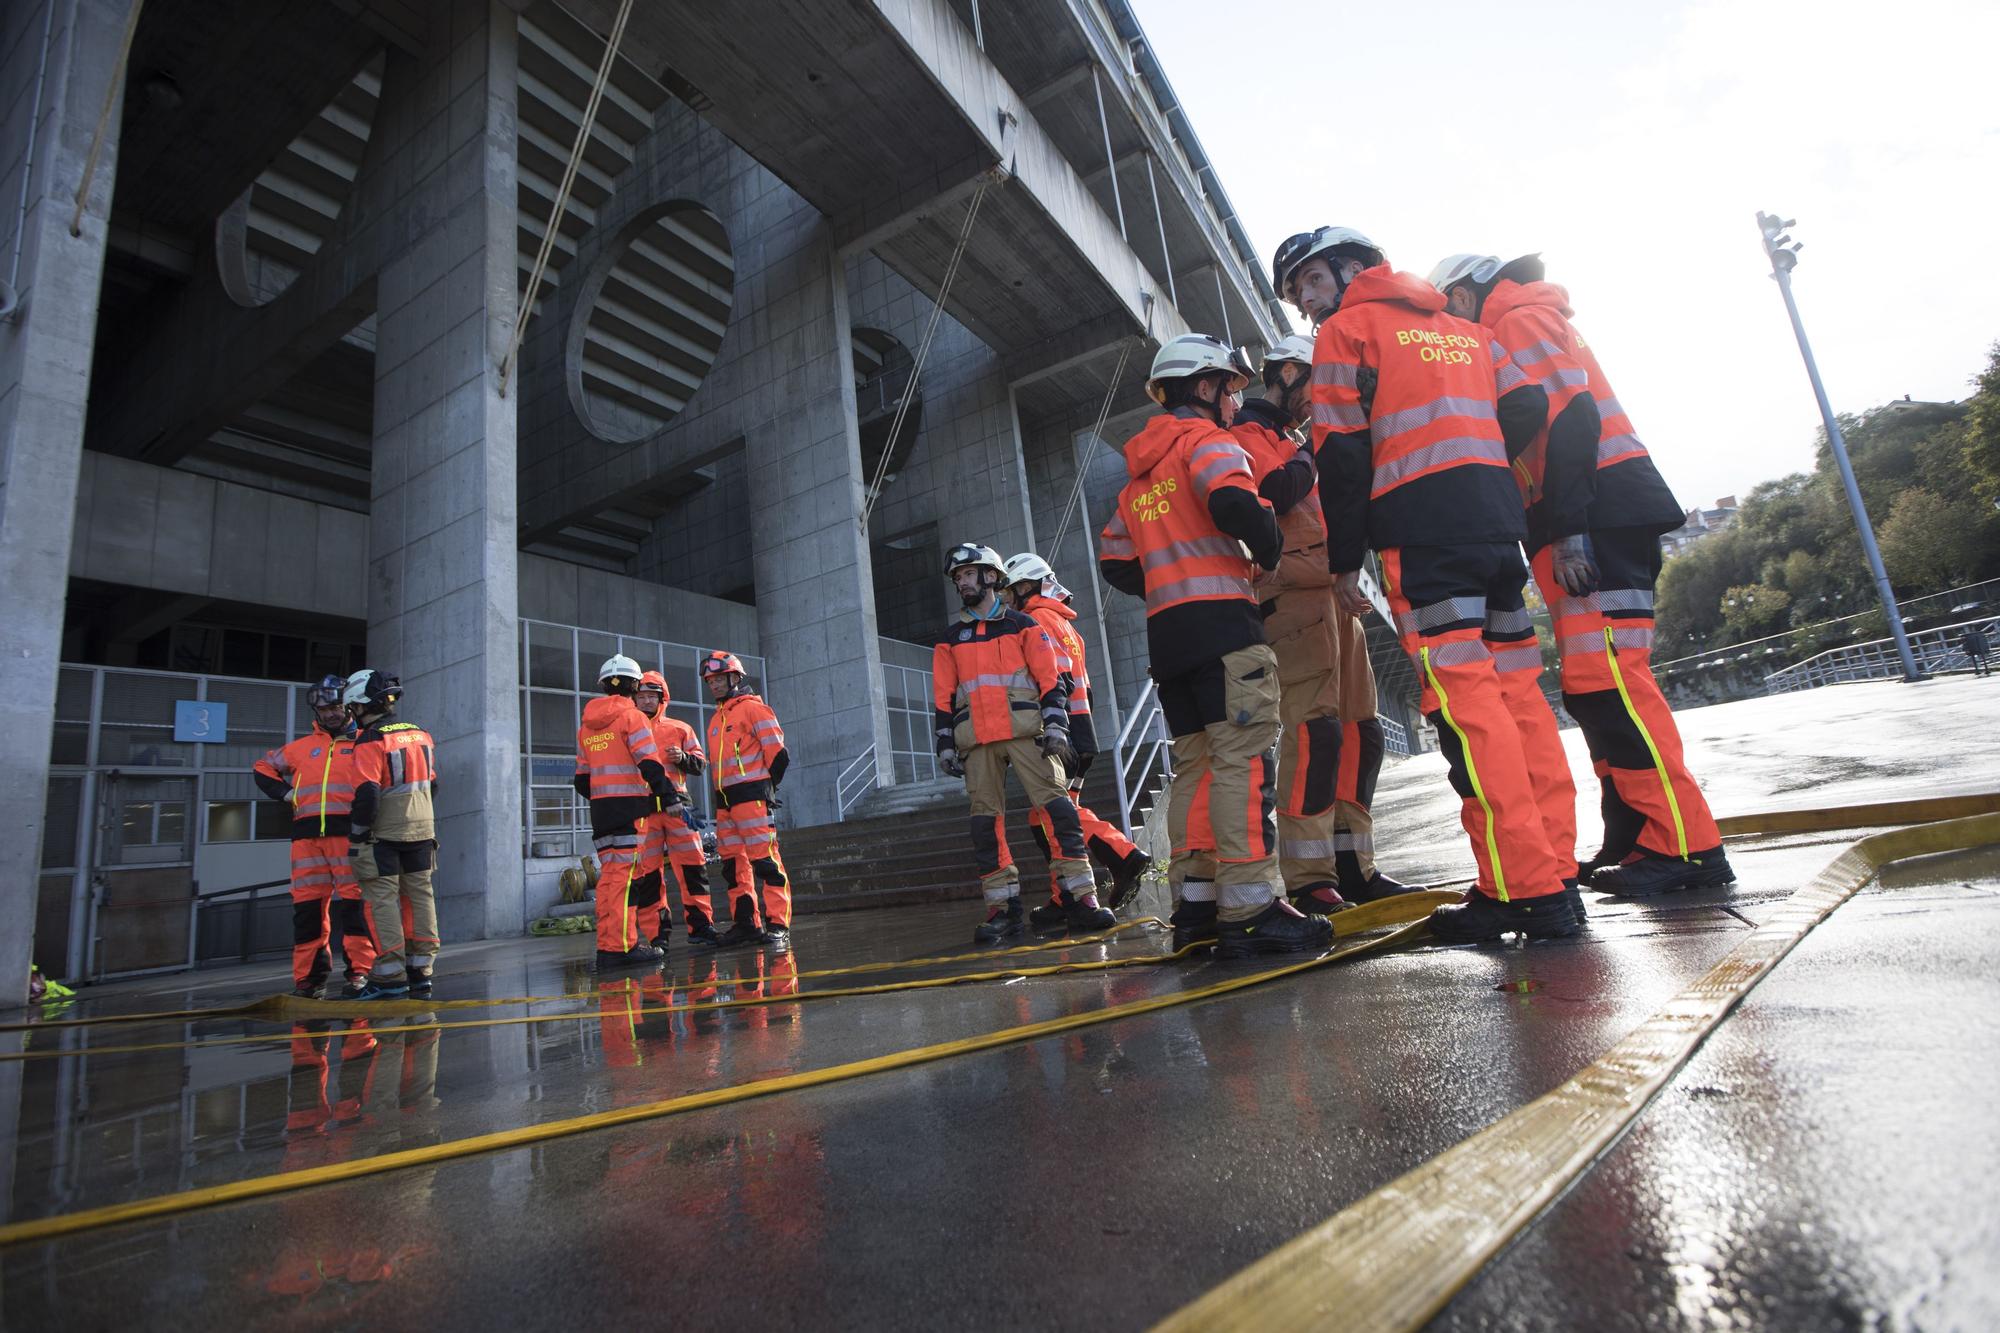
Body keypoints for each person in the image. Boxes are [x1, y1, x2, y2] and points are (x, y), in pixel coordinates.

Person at [1276, 226, 1578, 941]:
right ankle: (1556, 873)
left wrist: (1346, 561)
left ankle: (1521, 888)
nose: (1308, 304)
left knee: (1468, 708)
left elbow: (1341, 455)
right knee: (1520, 698)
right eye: (1297, 296)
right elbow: (1528, 403)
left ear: (1352, 268)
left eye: (1311, 282)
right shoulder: (1457, 325)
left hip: (1422, 529)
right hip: (1493, 523)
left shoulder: (1347, 334)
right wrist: (1478, 458)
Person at [1430, 252, 1733, 896]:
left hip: (1593, 516)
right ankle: (1637, 834)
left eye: (1446, 307)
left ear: (1463, 293)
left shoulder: (1516, 319)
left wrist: (1568, 529)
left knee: (1614, 679)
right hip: (1587, 514)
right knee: (1595, 686)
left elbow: (1570, 418)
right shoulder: (1528, 315)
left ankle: (1688, 847)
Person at [1098, 334, 1335, 957]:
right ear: (1203, 388)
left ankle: (1197, 906)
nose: (1236, 400)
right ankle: (1253, 906)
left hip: (1169, 636)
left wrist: (1170, 575)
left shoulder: (1138, 476)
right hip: (1226, 626)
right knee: (1244, 761)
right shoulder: (1207, 442)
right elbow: (1235, 501)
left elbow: (1115, 560)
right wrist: (1268, 546)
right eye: (1230, 388)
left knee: (1196, 767)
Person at [934, 543, 1112, 942]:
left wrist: (1057, 726)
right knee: (985, 824)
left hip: (1028, 733)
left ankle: (1082, 898)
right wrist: (944, 743)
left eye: (967, 574)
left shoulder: (1024, 625)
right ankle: (1003, 910)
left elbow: (1051, 681)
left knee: (1058, 811)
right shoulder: (949, 640)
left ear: (991, 577)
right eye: (957, 578)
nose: (961, 583)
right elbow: (943, 696)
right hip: (976, 740)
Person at [1000, 551, 1149, 927]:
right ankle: (1065, 896)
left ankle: (1124, 855)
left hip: (1058, 731)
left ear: (1026, 586)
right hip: (1079, 730)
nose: (1008, 598)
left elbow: (1053, 680)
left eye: (1012, 589)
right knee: (1045, 818)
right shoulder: (1066, 625)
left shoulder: (1036, 619)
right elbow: (1082, 684)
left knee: (1057, 813)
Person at [255, 674, 377, 998]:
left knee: (356, 908)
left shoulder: (367, 742)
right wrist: (285, 794)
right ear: (316, 711)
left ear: (348, 705)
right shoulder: (300, 748)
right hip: (306, 839)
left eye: (336, 706)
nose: (330, 714)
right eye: (324, 709)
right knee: (307, 913)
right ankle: (309, 981)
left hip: (349, 836)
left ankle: (359, 975)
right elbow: (263, 768)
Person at [343, 669, 445, 997]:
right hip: (423, 829)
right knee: (420, 895)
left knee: (380, 899)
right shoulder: (421, 734)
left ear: (360, 705)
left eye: (352, 708)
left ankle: (389, 974)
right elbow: (433, 784)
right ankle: (421, 969)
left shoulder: (371, 741)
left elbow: (367, 794)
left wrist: (358, 835)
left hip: (383, 834)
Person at [574, 654, 677, 970]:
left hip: (601, 813)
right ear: (634, 685)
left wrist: (604, 798)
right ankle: (621, 948)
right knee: (625, 880)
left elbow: (581, 780)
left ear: (604, 685)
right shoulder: (634, 718)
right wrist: (668, 796)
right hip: (630, 811)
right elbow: (649, 762)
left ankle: (608, 946)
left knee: (610, 880)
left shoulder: (586, 727)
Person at [702, 651, 793, 948]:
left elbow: (778, 754)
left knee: (766, 862)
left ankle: (778, 924)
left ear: (734, 678)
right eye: (710, 680)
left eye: (718, 679)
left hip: (752, 798)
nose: (713, 685)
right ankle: (746, 925)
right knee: (733, 867)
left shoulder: (755, 709)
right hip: (725, 803)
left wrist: (765, 791)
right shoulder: (716, 718)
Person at [633, 669, 718, 947]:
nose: (646, 701)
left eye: (651, 696)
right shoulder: (627, 731)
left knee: (693, 867)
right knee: (648, 875)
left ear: (662, 699)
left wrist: (682, 758)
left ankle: (702, 927)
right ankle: (657, 937)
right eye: (641, 696)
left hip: (678, 808)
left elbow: (700, 764)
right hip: (644, 811)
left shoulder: (680, 728)